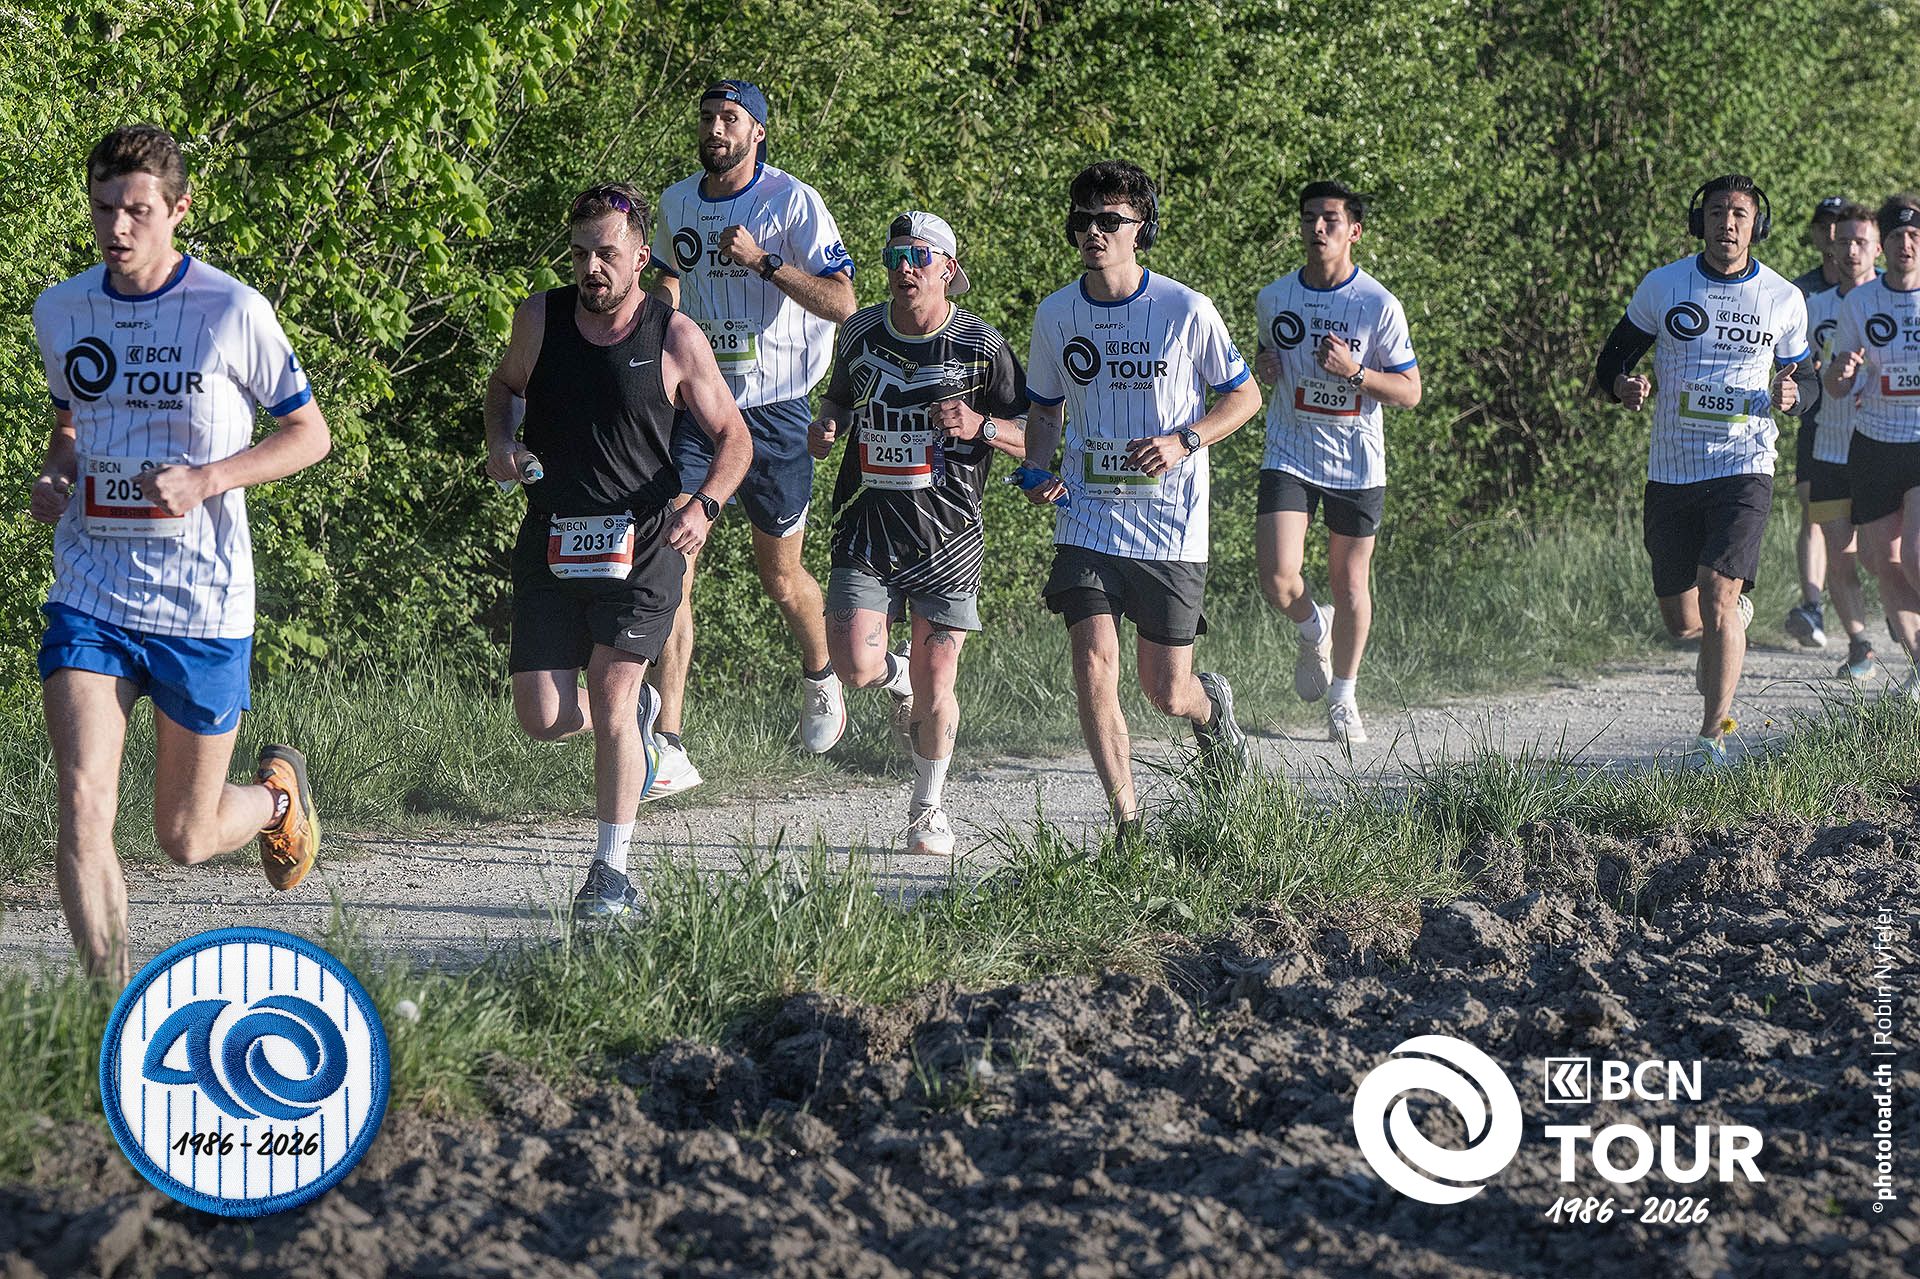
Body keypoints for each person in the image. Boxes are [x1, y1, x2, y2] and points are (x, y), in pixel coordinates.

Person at [29, 125, 329, 986]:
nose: (117, 228)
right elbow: (71, 424)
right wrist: (56, 475)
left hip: (202, 600)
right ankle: (111, 1014)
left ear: (179, 210)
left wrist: (209, 478)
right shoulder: (63, 309)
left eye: (137, 210)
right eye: (103, 209)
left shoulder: (232, 310)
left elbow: (309, 434)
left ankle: (277, 798)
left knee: (185, 836)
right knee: (83, 802)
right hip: (92, 590)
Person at [486, 182, 752, 918]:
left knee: (610, 689)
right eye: (580, 255)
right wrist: (503, 443)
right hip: (553, 536)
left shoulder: (675, 337)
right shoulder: (540, 318)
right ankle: (634, 721)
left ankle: (611, 873)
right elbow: (505, 386)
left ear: (640, 256)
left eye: (606, 253)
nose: (591, 269)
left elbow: (734, 437)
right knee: (542, 715)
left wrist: (705, 504)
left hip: (645, 539)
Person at [1021, 160, 1262, 836]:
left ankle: (1211, 708)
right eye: (1083, 220)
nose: (1093, 232)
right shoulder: (1056, 313)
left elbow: (1245, 396)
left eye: (1110, 220)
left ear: (1141, 228)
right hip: (1088, 518)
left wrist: (1186, 440)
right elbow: (1044, 410)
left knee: (1166, 690)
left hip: (1169, 525)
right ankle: (1127, 822)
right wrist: (1036, 469)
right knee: (1093, 662)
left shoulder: (1186, 309)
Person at [643, 81, 857, 795]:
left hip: (776, 412)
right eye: (707, 117)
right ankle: (668, 741)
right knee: (674, 556)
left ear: (757, 132)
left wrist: (765, 261)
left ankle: (822, 675)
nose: (715, 129)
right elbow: (667, 280)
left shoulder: (793, 202)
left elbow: (843, 301)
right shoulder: (676, 202)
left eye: (730, 118)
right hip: (702, 410)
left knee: (780, 577)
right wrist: (656, 334)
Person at [807, 212, 1031, 855]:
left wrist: (983, 427)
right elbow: (838, 400)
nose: (904, 267)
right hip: (867, 526)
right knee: (853, 666)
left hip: (948, 535)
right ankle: (893, 674)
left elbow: (1037, 437)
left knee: (939, 686)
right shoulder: (860, 331)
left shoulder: (981, 346)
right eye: (894, 256)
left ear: (948, 270)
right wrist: (826, 427)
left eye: (919, 256)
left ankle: (927, 808)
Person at [1594, 173, 1809, 766]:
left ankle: (1712, 737)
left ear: (1756, 226)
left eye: (1739, 214)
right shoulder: (1664, 286)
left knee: (1718, 592)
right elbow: (1611, 361)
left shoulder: (1783, 297)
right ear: (1700, 222)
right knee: (1683, 621)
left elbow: (1807, 379)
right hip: (1673, 467)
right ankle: (1725, 624)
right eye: (1717, 213)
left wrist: (1795, 396)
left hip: (1746, 462)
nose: (1728, 224)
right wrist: (1622, 386)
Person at [1251, 181, 1422, 744]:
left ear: (1354, 230)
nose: (1318, 228)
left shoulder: (1377, 304)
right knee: (1278, 577)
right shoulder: (1274, 297)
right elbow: (1268, 358)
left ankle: (1344, 697)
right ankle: (1312, 627)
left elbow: (1410, 391)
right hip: (1290, 450)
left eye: (1330, 219)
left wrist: (1356, 372)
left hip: (1355, 459)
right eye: (1309, 218)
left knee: (1350, 586)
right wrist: (1265, 366)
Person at [1826, 194, 1920, 694]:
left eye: (1915, 235)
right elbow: (1837, 385)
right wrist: (1842, 372)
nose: (1906, 244)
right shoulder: (1860, 302)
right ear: (1883, 244)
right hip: (1876, 442)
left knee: (1917, 555)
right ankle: (1918, 663)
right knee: (1884, 562)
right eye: (1897, 235)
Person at [1799, 204, 1882, 678]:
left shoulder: (1896, 302)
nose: (1851, 251)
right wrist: (1805, 377)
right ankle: (1860, 645)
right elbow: (1798, 371)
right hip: (1829, 448)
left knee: (1882, 555)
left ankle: (1905, 627)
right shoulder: (1816, 307)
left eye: (1860, 242)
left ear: (1877, 249)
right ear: (1830, 246)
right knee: (1838, 552)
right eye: (1843, 241)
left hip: (1884, 446)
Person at [1786, 196, 1849, 648]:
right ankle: (1812, 606)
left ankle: (1893, 604)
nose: (1831, 233)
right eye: (1824, 224)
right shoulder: (1799, 293)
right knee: (1814, 511)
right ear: (1814, 234)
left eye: (1840, 225)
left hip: (1872, 422)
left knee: (1869, 527)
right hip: (1818, 417)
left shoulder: (1874, 286)